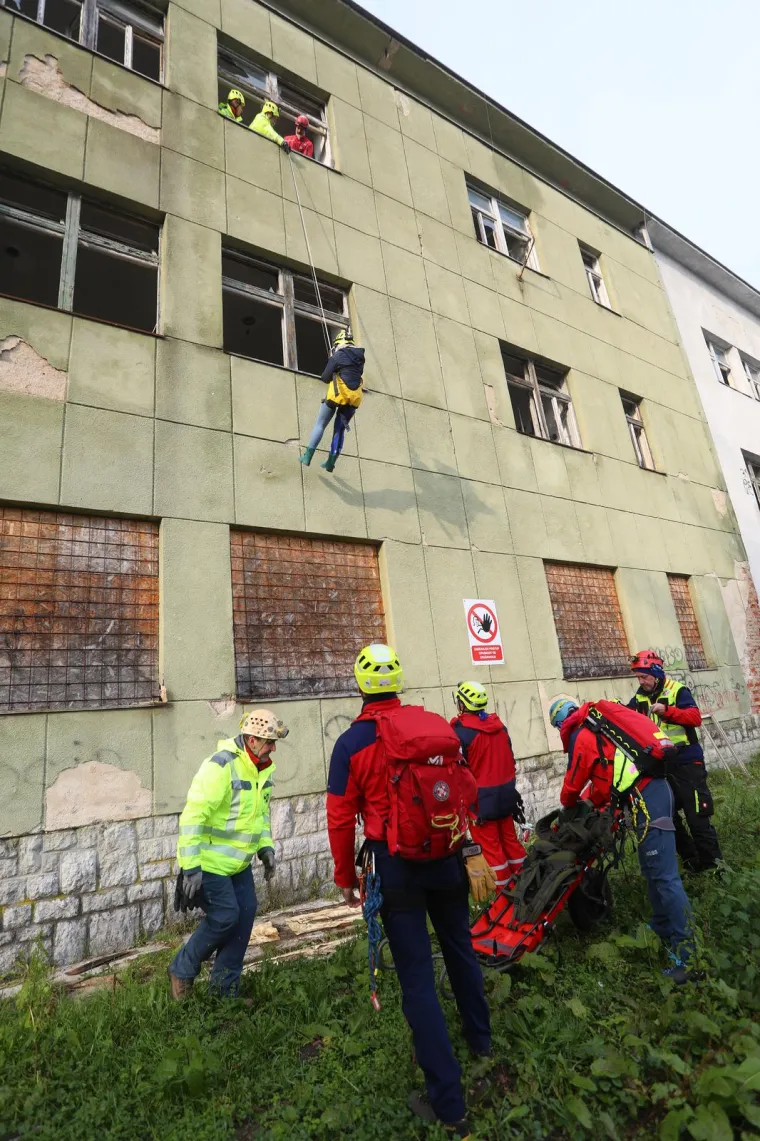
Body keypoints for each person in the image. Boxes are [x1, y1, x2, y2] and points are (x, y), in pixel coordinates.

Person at [326, 644, 490, 1138]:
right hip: (445, 856)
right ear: (399, 682)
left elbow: (338, 817)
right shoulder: (435, 725)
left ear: (358, 684)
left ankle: (449, 1104)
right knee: (461, 949)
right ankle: (481, 1042)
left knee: (417, 978)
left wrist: (344, 877)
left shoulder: (350, 744)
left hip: (393, 866)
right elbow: (467, 790)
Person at [549, 697, 696, 983]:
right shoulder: (601, 731)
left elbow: (574, 782)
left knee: (665, 876)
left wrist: (568, 805)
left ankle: (687, 957)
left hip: (648, 798)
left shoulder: (583, 734)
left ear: (560, 723)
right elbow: (606, 782)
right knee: (650, 868)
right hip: (648, 794)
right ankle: (662, 926)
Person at [167, 709, 289, 999]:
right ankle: (181, 969)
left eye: (274, 742)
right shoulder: (220, 767)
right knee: (225, 916)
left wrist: (265, 847)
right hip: (208, 864)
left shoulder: (263, 769)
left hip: (238, 865)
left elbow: (260, 816)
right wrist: (191, 866)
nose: (273, 747)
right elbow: (193, 816)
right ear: (251, 739)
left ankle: (224, 992)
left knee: (244, 915)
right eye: (269, 742)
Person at [628, 650, 722, 873]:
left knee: (697, 817)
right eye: (638, 677)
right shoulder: (639, 698)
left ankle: (715, 869)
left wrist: (667, 711)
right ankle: (692, 863)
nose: (641, 681)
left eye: (644, 677)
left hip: (687, 763)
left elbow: (695, 718)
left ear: (657, 674)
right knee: (667, 818)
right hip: (660, 767)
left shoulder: (677, 690)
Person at [450, 680, 526, 889]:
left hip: (481, 803)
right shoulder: (499, 726)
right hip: (507, 797)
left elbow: (460, 773)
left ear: (463, 704)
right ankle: (529, 886)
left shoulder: (461, 732)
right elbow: (510, 761)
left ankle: (505, 901)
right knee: (511, 843)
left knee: (492, 852)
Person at [299, 330, 365, 472]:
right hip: (353, 399)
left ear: (338, 344)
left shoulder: (338, 356)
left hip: (337, 395)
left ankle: (307, 457)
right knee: (339, 431)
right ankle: (330, 463)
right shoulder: (360, 359)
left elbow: (325, 377)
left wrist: (333, 360)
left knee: (320, 424)